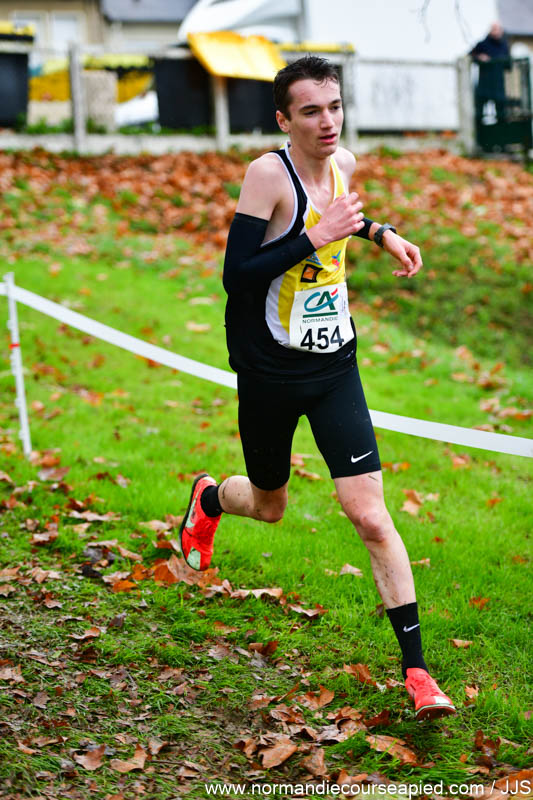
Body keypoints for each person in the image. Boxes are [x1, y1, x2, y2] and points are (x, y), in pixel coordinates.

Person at [179, 55, 456, 721]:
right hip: (269, 373)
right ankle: (210, 498)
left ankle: (418, 673)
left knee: (369, 513)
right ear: (284, 119)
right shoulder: (266, 176)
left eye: (334, 107)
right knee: (269, 504)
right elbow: (236, 276)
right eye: (310, 111)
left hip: (334, 365)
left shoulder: (344, 163)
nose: (327, 122)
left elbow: (342, 217)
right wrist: (314, 237)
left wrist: (381, 234)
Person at [470, 22, 511, 124]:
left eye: (498, 29)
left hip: (499, 85)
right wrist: (479, 57)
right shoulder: (482, 44)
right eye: (494, 29)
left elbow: (508, 65)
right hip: (484, 84)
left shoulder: (504, 46)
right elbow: (470, 55)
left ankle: (501, 131)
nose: (496, 32)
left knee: (501, 113)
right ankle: (479, 132)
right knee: (479, 113)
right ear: (490, 31)